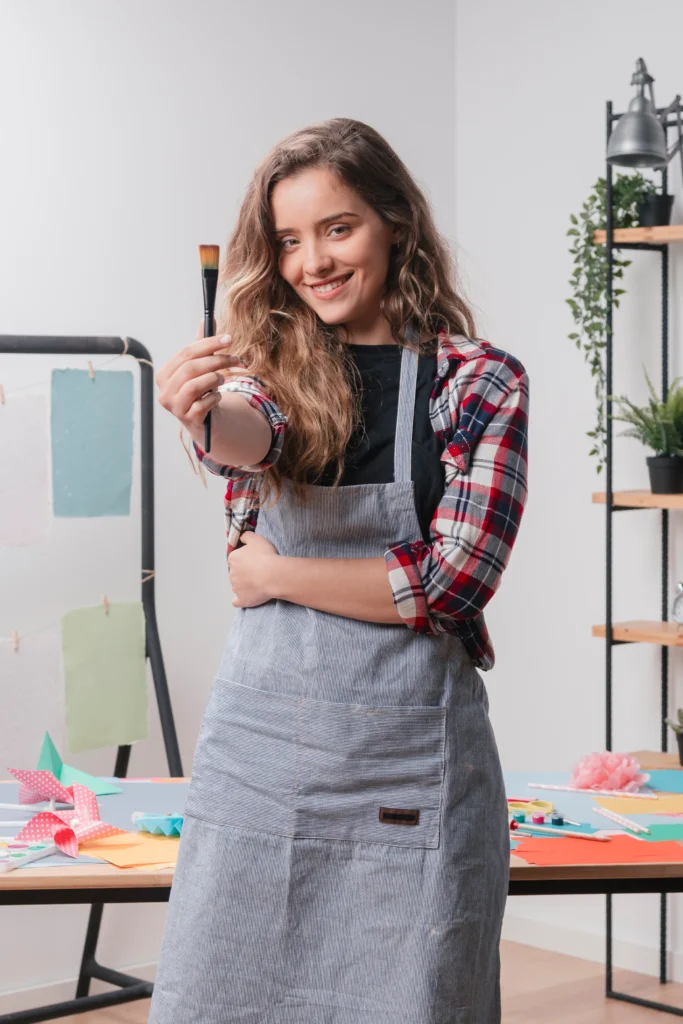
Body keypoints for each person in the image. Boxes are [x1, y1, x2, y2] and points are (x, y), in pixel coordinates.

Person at [149, 117, 529, 1024]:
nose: (311, 261)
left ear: (394, 223)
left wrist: (278, 576)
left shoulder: (477, 383)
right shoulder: (265, 377)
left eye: (337, 228)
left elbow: (449, 586)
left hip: (409, 775)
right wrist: (200, 414)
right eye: (287, 239)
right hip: (260, 768)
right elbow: (250, 434)